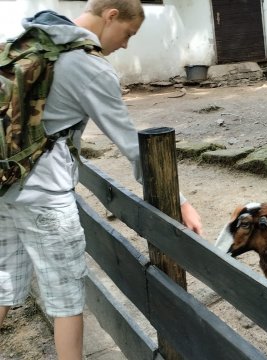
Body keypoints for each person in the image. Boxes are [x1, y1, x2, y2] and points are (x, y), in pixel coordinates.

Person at [0, 1, 203, 358]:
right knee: (66, 300)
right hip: (45, 195)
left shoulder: (27, 38)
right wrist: (181, 201)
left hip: (4, 184)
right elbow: (133, 146)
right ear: (111, 16)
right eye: (128, 34)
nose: (126, 45)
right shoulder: (89, 67)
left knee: (2, 279)